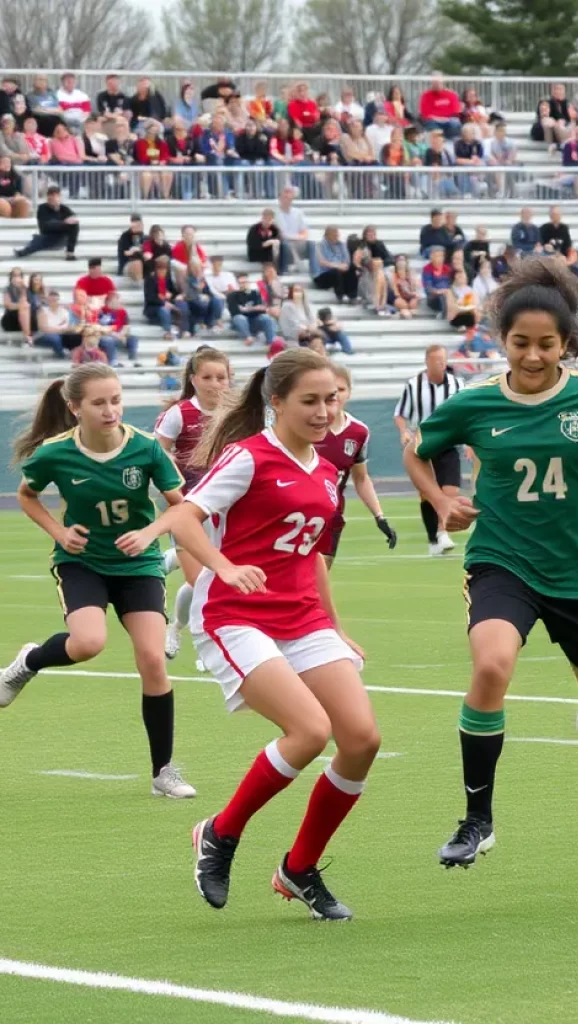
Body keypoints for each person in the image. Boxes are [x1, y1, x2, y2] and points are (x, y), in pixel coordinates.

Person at [402, 258, 578, 867]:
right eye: (520, 343)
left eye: (546, 344)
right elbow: (417, 450)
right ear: (500, 340)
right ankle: (477, 819)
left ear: (567, 345)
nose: (532, 356)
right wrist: (439, 499)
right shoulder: (475, 403)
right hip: (503, 561)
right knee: (491, 664)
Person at [142, 349, 380, 920]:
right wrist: (222, 569)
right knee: (309, 731)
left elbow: (313, 556)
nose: (325, 411)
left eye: (332, 399)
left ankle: (298, 870)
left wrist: (338, 629)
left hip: (303, 618)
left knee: (361, 740)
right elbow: (181, 520)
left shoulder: (328, 472)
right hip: (236, 615)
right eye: (311, 401)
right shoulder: (248, 457)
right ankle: (219, 834)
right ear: (276, 402)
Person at [0, 364, 196, 798]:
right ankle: (27, 663)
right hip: (83, 563)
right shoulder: (55, 453)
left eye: (115, 400)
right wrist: (59, 532)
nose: (110, 410)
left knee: (152, 659)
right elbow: (27, 496)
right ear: (74, 408)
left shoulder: (145, 449)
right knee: (88, 643)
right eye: (99, 402)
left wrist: (148, 533)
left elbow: (180, 508)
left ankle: (163, 772)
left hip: (138, 565)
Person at [156, 348, 232, 660]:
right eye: (208, 377)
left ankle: (183, 625)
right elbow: (157, 454)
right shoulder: (180, 413)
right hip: (190, 508)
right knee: (198, 579)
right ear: (193, 380)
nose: (215, 383)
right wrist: (175, 493)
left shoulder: (237, 413)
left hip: (228, 509)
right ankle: (186, 633)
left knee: (218, 577)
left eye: (221, 377)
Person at [314, 365, 397, 569]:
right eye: (331, 390)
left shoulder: (358, 432)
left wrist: (380, 517)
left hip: (332, 516)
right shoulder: (305, 426)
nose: (336, 395)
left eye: (341, 390)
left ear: (349, 393)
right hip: (298, 515)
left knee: (318, 581)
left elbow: (361, 478)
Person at [394, 345, 464, 556]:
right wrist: (403, 431)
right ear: (427, 362)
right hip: (422, 444)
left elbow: (467, 412)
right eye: (436, 360)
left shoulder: (457, 384)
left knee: (451, 490)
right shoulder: (413, 385)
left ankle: (442, 533)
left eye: (443, 359)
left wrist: (469, 441)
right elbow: (400, 413)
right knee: (426, 493)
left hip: (449, 442)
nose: (440, 364)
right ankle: (433, 538)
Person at [14, 185, 79, 260]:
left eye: (55, 196)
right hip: (47, 234)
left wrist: (67, 221)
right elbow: (45, 226)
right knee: (40, 239)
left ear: (59, 197)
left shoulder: (64, 209)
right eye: (51, 196)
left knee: (74, 225)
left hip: (61, 236)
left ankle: (70, 253)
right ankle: (24, 251)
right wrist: (64, 223)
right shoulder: (42, 208)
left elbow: (73, 219)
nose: (53, 198)